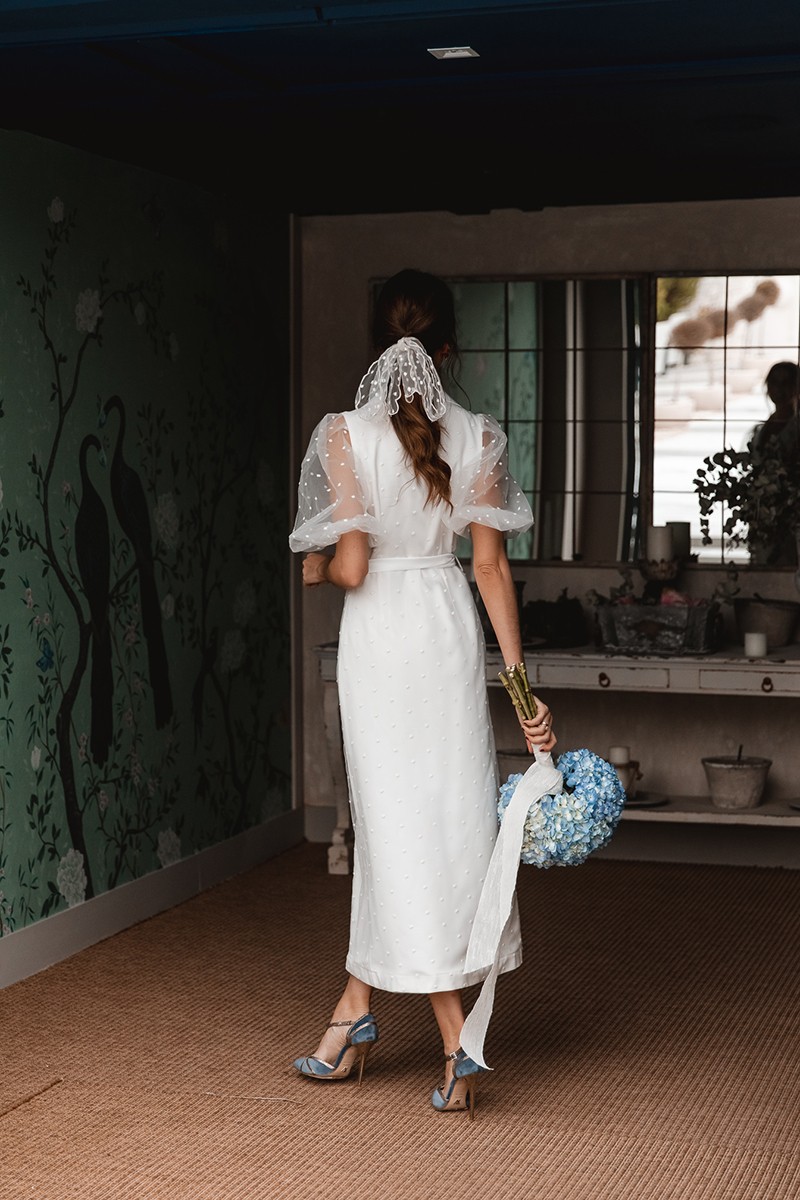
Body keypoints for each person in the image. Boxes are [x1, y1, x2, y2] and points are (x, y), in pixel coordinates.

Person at [288, 268, 556, 1117]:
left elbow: (355, 565)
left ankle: (451, 1042)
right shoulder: (477, 433)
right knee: (437, 824)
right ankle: (355, 1016)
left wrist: (315, 566)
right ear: (450, 345)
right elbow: (488, 566)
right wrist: (521, 692)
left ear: (378, 342)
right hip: (443, 634)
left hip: (381, 640)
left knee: (393, 827)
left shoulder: (342, 434)